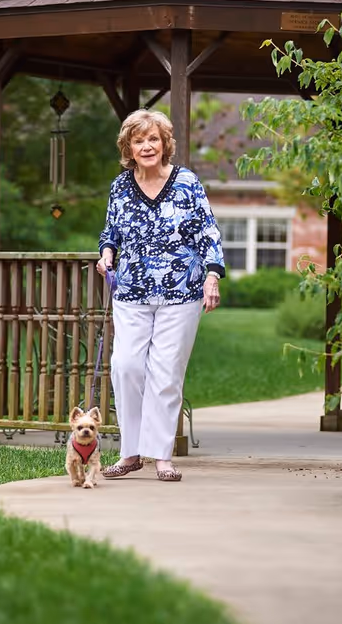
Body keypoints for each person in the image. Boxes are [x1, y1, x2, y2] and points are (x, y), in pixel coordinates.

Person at [96, 109, 225, 482]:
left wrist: (212, 276)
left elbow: (208, 232)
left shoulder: (187, 182)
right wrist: (107, 254)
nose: (147, 146)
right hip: (131, 290)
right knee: (126, 367)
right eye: (139, 141)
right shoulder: (120, 186)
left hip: (181, 292)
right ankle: (131, 452)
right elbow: (111, 232)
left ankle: (161, 455)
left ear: (164, 143)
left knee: (166, 373)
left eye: (153, 139)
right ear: (129, 148)